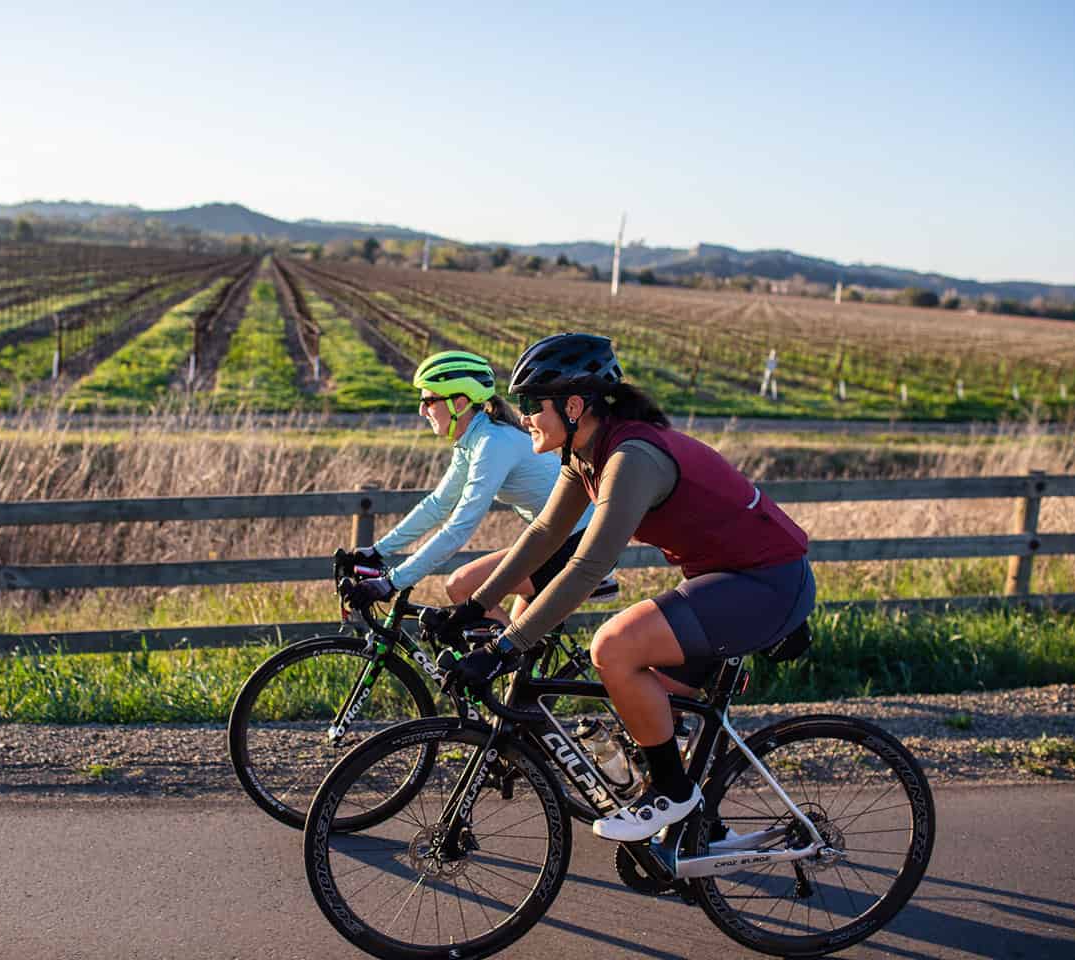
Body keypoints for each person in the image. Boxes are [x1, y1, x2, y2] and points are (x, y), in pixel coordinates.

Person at [437, 333, 815, 843]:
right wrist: (475, 607)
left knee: (614, 647)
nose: (523, 415)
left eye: (531, 404)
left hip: (764, 583)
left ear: (574, 406)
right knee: (644, 710)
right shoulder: (584, 454)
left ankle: (672, 796)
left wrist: (508, 645)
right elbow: (545, 536)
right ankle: (701, 828)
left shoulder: (630, 457)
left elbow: (588, 566)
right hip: (729, 581)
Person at [344, 349, 604, 621]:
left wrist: (391, 582)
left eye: (430, 401)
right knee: (517, 642)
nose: (422, 410)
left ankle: (504, 658)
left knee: (462, 585)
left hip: (577, 544)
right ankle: (514, 662)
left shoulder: (492, 443)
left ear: (459, 403)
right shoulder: (473, 441)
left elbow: (459, 528)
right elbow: (438, 505)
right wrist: (377, 551)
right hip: (557, 541)